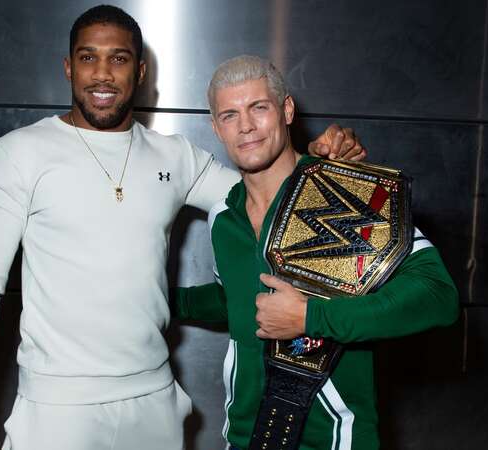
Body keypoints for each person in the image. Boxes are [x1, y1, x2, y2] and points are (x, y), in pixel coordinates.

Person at [0, 6, 367, 450]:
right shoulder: (20, 153)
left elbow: (271, 190)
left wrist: (325, 167)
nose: (102, 74)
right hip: (58, 406)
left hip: (154, 404)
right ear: (68, 67)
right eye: (87, 58)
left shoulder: (175, 157)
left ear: (139, 72)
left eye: (117, 59)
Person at [172, 55, 459, 450]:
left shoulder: (345, 193)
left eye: (259, 107)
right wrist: (163, 300)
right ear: (216, 128)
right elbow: (238, 301)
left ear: (286, 110)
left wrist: (312, 317)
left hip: (336, 441)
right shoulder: (224, 216)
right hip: (244, 437)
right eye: (229, 115)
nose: (246, 126)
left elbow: (437, 296)